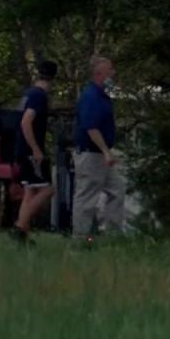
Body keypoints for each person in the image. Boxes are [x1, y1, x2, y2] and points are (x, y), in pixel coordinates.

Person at [72, 56, 124, 238]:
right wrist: (106, 151)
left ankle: (112, 233)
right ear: (99, 74)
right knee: (86, 196)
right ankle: (80, 237)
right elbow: (91, 127)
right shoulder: (91, 96)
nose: (113, 73)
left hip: (100, 155)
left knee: (117, 189)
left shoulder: (103, 96)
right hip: (91, 154)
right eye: (110, 70)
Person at [10, 60, 58, 245]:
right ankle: (20, 226)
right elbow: (26, 122)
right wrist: (36, 149)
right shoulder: (39, 96)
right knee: (48, 190)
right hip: (31, 151)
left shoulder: (28, 94)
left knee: (30, 191)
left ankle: (23, 237)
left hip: (21, 149)